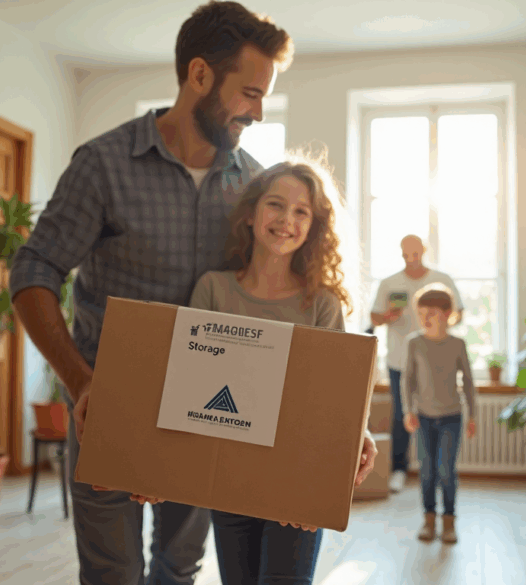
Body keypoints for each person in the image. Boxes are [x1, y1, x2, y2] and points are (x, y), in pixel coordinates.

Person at [10, 3, 375, 583]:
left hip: (209, 417)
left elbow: (285, 310)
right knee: (113, 574)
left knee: (180, 567)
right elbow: (33, 270)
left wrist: (340, 428)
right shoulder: (104, 165)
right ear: (199, 75)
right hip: (110, 409)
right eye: (250, 93)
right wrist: (81, 380)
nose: (257, 112)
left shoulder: (254, 184)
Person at [131, 158, 376, 584]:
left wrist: (360, 433)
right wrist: (159, 468)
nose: (286, 220)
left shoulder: (322, 303)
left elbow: (335, 401)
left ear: (314, 225)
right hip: (228, 483)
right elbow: (187, 390)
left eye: (301, 211)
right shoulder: (213, 288)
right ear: (250, 213)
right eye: (276, 205)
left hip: (296, 488)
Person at [369, 235, 463, 493]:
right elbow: (374, 317)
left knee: (437, 414)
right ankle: (399, 469)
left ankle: (435, 469)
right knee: (402, 414)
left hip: (437, 363)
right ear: (401, 253)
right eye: (405, 253)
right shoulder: (390, 283)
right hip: (401, 361)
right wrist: (388, 316)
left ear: (423, 251)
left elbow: (458, 313)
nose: (411, 257)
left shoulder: (442, 281)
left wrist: (439, 326)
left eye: (415, 252)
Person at [401, 286, 478, 544]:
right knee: (426, 471)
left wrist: (473, 416)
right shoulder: (414, 342)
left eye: (431, 313)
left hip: (452, 418)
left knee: (446, 470)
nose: (425, 318)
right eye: (421, 313)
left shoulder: (457, 344)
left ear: (447, 314)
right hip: (423, 417)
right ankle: (429, 519)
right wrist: (408, 411)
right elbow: (407, 380)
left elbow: (468, 382)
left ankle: (449, 522)